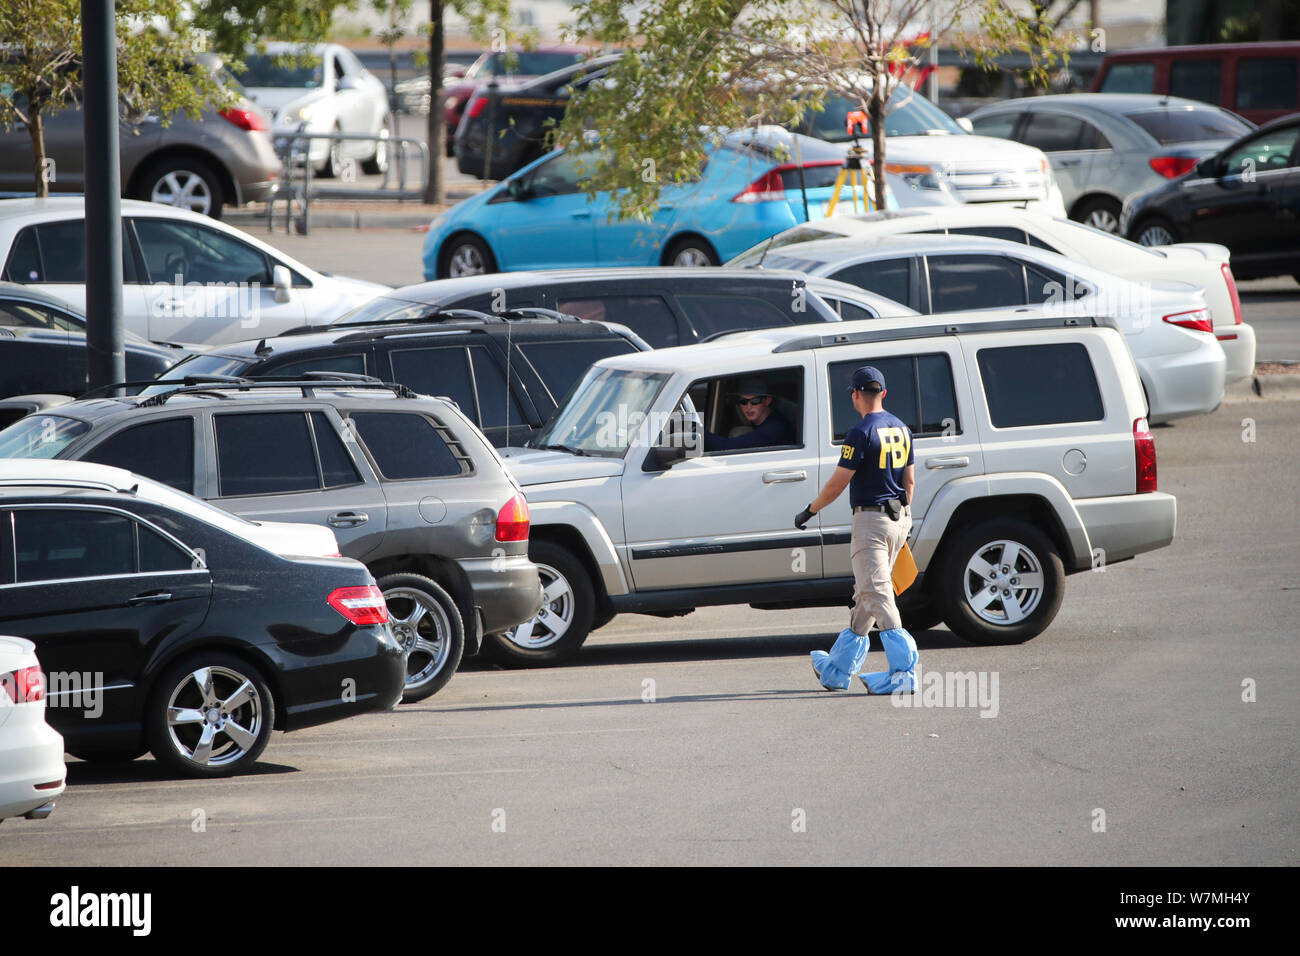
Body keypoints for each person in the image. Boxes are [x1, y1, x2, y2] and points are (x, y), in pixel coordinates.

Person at [794, 365, 919, 693]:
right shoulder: (903, 428)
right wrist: (903, 518)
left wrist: (810, 510)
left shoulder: (861, 432)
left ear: (855, 394)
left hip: (871, 523)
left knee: (877, 594)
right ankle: (836, 670)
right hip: (898, 517)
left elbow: (838, 483)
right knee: (865, 594)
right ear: (883, 394)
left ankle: (903, 673)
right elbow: (909, 481)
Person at [704, 378, 795, 451]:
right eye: (743, 401)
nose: (748, 407)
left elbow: (727, 447)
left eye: (754, 401)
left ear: (767, 401)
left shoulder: (774, 428)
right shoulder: (770, 421)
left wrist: (697, 431)